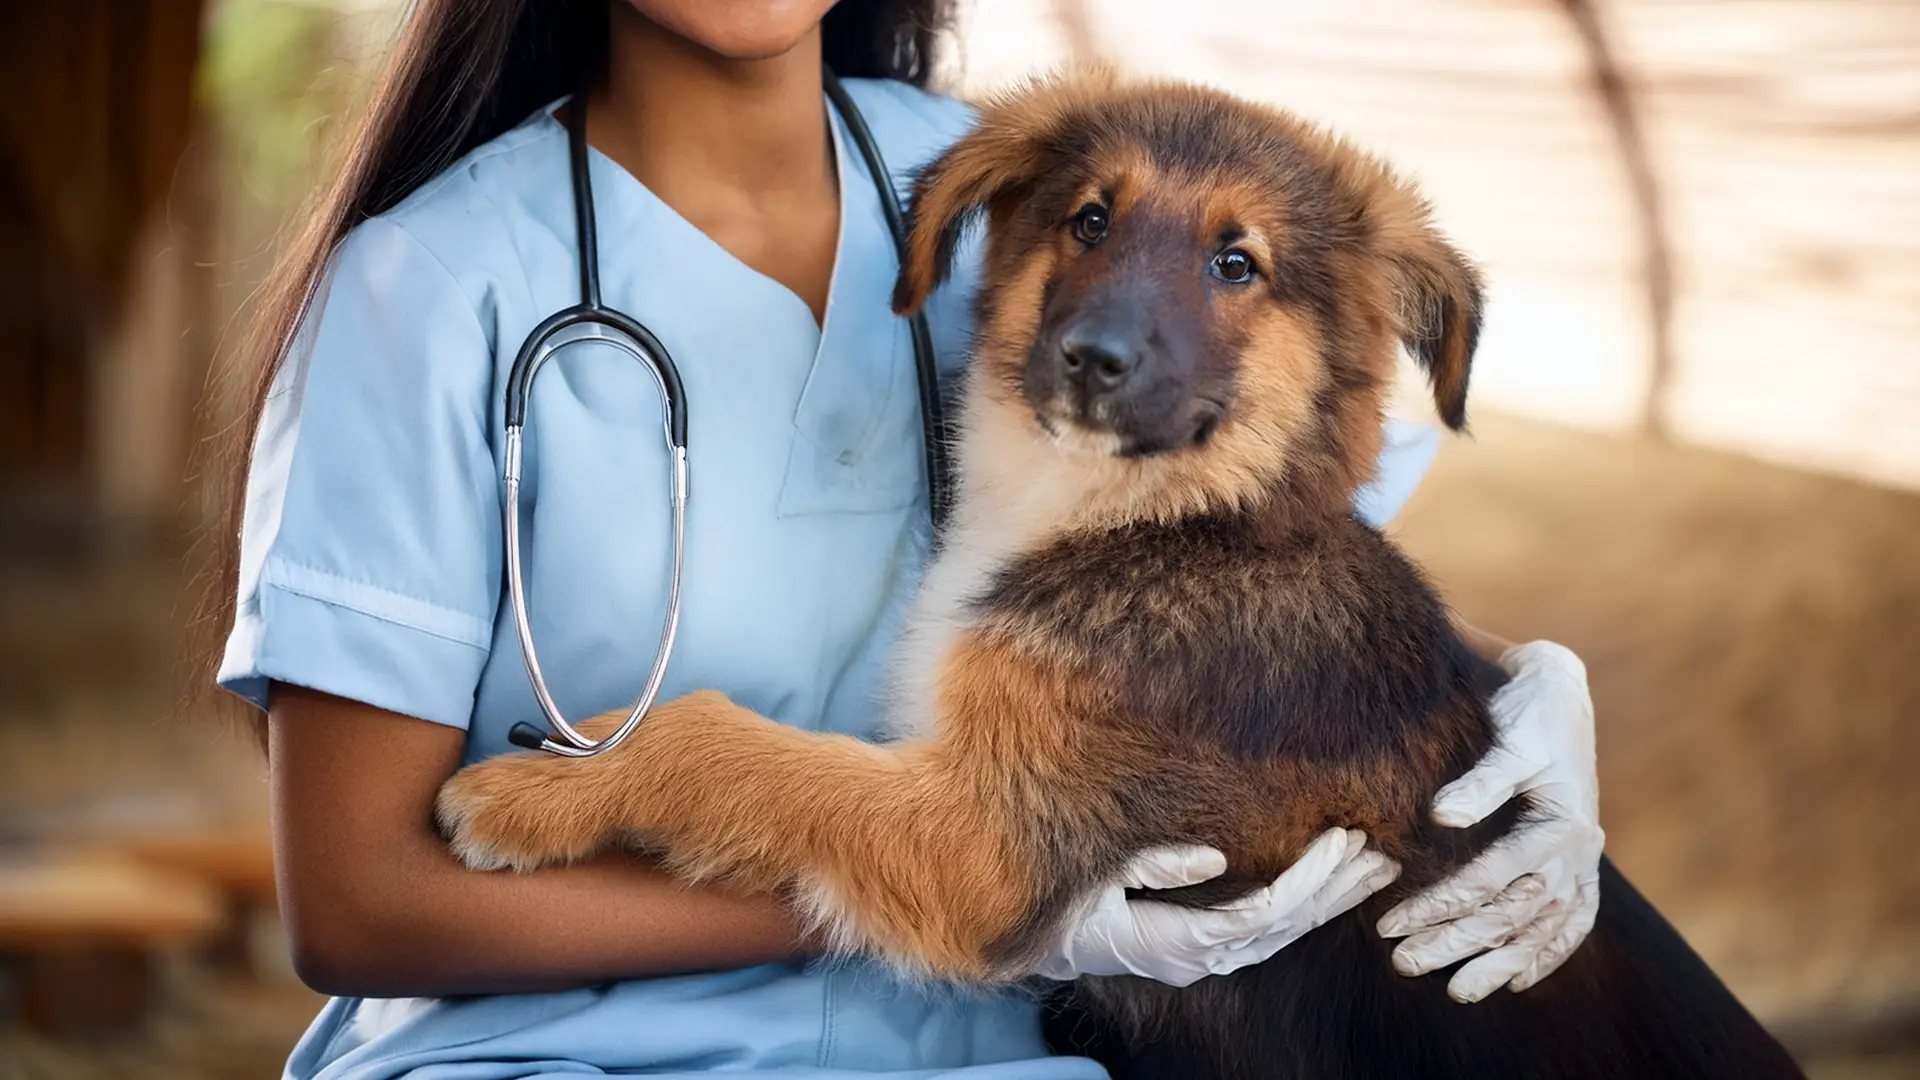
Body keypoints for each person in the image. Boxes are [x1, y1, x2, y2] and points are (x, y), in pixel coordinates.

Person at [204, 1, 1606, 1076]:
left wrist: (1520, 693)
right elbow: (355, 905)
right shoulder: (430, 287)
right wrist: (987, 896)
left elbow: (1245, 595)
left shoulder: (997, 181)